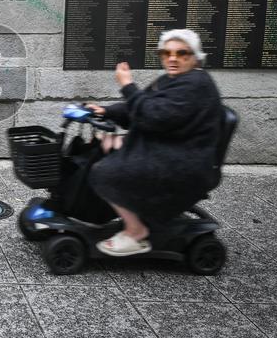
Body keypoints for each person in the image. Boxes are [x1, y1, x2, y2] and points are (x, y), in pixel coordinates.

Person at [84, 28, 223, 257]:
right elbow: (140, 108)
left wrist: (128, 85)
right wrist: (106, 111)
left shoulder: (195, 84)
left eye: (182, 53)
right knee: (104, 143)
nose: (172, 58)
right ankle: (130, 210)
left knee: (104, 172)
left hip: (184, 161)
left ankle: (135, 232)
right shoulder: (173, 79)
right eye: (166, 53)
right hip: (170, 148)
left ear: (196, 56)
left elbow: (153, 116)